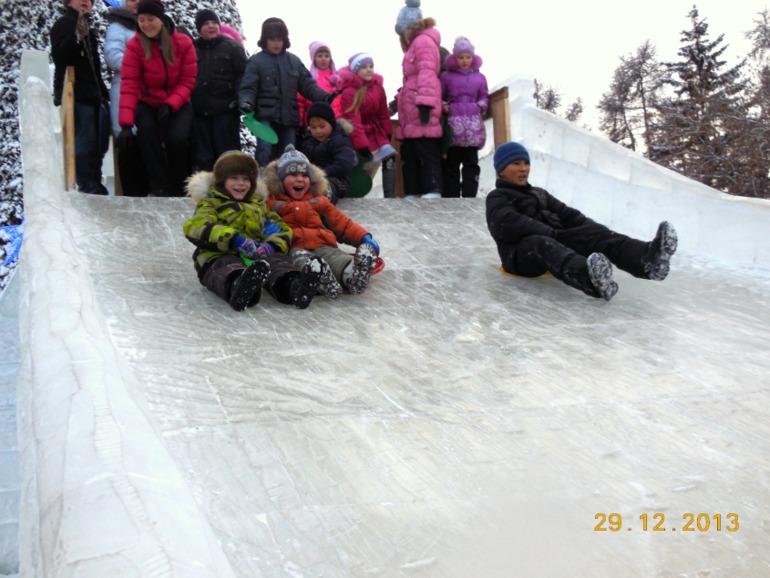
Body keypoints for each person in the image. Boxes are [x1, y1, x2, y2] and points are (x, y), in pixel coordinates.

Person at [486, 142, 679, 301]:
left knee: (593, 233)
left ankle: (646, 260)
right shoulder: (498, 196)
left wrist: (590, 230)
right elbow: (507, 223)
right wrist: (551, 232)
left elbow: (569, 215)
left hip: (553, 242)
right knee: (538, 242)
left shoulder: (539, 193)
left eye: (526, 163)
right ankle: (590, 280)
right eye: (516, 164)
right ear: (501, 170)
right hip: (519, 258)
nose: (523, 169)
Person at [183, 150, 323, 311]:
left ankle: (294, 286)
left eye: (246, 179)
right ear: (222, 181)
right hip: (218, 255)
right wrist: (234, 239)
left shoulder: (259, 205)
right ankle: (239, 286)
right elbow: (196, 226)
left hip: (256, 256)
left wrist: (272, 245)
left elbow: (281, 228)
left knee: (278, 261)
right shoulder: (211, 203)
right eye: (234, 178)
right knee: (225, 266)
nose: (241, 183)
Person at [262, 145, 380, 299]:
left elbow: (342, 223)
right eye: (293, 174)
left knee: (337, 258)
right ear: (280, 180)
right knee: (302, 260)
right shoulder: (272, 203)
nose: (300, 179)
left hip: (322, 243)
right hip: (293, 246)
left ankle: (353, 275)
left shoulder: (319, 201)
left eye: (304, 175)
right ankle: (319, 278)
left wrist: (364, 237)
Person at [116, 0, 197, 197]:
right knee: (146, 130)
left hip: (178, 100)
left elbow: (188, 80)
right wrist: (125, 124)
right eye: (141, 20)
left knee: (176, 139)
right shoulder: (135, 45)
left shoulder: (183, 43)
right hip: (148, 100)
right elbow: (129, 84)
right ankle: (158, 185)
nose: (146, 24)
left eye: (150, 19)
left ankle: (179, 185)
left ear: (160, 19)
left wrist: (171, 105)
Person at [238, 17, 339, 170]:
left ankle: (286, 179)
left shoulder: (294, 61)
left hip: (289, 117)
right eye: (272, 39)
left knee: (289, 152)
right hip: (264, 116)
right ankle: (261, 177)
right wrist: (246, 102)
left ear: (285, 40)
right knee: (264, 148)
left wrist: (325, 97)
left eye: (279, 39)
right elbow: (248, 87)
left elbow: (308, 85)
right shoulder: (256, 62)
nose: (276, 43)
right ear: (265, 40)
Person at [50, 0, 111, 195]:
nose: (86, 1)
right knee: (84, 143)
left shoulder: (87, 28)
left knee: (97, 146)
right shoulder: (65, 23)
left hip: (92, 95)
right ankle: (88, 186)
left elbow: (93, 68)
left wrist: (103, 93)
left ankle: (94, 184)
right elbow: (60, 56)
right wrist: (76, 35)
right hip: (76, 94)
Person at [394, 0, 444, 199]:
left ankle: (432, 190)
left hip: (421, 105)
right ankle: (413, 192)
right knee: (411, 152)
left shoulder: (423, 41)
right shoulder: (414, 45)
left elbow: (427, 72)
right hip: (411, 107)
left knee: (426, 149)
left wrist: (425, 102)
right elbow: (411, 80)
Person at [191, 8, 247, 171]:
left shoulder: (233, 47)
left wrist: (238, 100)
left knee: (228, 158)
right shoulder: (192, 49)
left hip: (225, 112)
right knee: (203, 158)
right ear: (199, 29)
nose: (211, 26)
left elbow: (242, 76)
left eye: (214, 22)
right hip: (200, 113)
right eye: (206, 24)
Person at [104, 0, 149, 196]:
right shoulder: (118, 26)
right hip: (124, 90)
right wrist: (143, 66)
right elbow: (112, 56)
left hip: (149, 93)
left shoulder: (151, 26)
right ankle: (132, 195)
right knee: (128, 145)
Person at [338, 52, 397, 197]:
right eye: (364, 67)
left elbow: (383, 112)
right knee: (364, 165)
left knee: (389, 156)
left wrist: (388, 132)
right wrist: (361, 145)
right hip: (359, 134)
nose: (369, 70)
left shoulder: (378, 88)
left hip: (376, 131)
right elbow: (353, 120)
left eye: (371, 66)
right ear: (356, 70)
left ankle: (390, 196)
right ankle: (356, 194)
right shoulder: (350, 92)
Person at [440, 36, 488, 198]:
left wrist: (480, 106)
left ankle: (470, 195)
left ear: (473, 58)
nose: (465, 60)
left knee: (471, 163)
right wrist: (443, 105)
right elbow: (440, 95)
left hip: (473, 126)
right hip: (454, 124)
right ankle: (452, 196)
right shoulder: (447, 76)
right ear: (455, 58)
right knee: (452, 163)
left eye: (468, 57)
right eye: (461, 57)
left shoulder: (480, 77)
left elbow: (484, 96)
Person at [299, 102, 356, 204]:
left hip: (337, 179)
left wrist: (319, 173)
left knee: (328, 185)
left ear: (332, 124)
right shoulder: (308, 141)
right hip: (312, 177)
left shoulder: (339, 139)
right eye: (313, 127)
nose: (318, 131)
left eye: (322, 126)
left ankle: (324, 201)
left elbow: (343, 165)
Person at [298, 41, 342, 130]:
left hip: (338, 123)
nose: (323, 59)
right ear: (314, 59)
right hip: (315, 125)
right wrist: (299, 123)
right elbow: (300, 103)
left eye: (327, 56)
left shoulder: (338, 79)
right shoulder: (308, 79)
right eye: (320, 56)